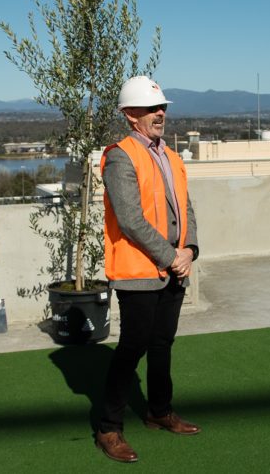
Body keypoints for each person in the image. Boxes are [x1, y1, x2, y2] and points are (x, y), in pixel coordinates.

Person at [95, 76, 201, 463]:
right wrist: (170, 256)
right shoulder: (121, 156)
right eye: (151, 108)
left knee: (162, 345)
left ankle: (159, 411)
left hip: (174, 267)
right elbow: (130, 219)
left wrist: (189, 249)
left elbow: (185, 208)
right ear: (129, 115)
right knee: (132, 347)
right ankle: (108, 427)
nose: (160, 113)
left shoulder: (171, 156)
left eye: (163, 108)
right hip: (140, 270)